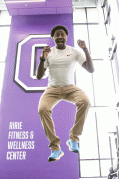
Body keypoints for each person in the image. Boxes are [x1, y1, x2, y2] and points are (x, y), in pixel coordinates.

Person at [36, 25, 94, 162]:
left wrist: (85, 49)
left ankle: (74, 138)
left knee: (85, 102)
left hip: (70, 88)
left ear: (66, 37)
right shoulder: (49, 53)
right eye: (57, 35)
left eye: (62, 34)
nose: (60, 37)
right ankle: (56, 148)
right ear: (54, 38)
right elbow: (39, 76)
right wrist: (42, 59)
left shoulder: (73, 51)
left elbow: (91, 69)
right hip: (52, 89)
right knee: (42, 109)